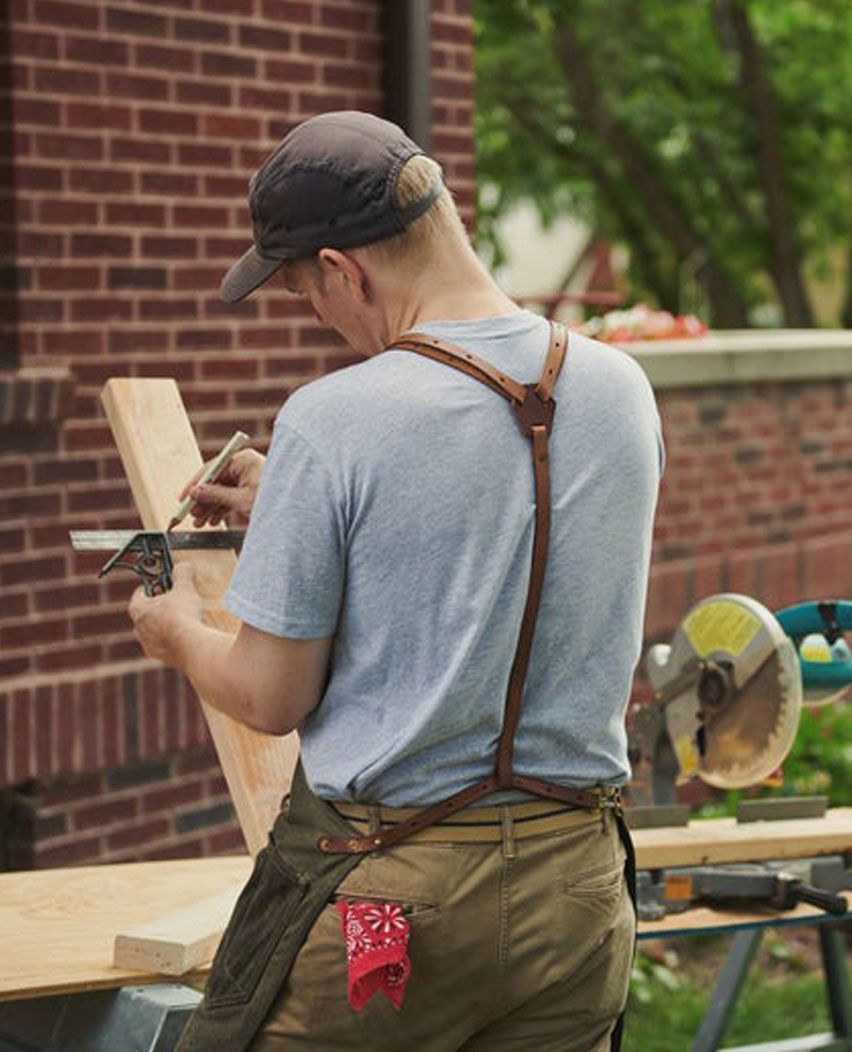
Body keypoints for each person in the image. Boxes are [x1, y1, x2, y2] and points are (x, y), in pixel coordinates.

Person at [128, 110, 664, 1052]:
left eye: (304, 292)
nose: (319, 316)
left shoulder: (335, 421)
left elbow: (269, 692)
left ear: (343, 269)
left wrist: (176, 629)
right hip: (577, 894)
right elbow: (500, 528)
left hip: (394, 901)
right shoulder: (621, 389)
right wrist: (290, 508)